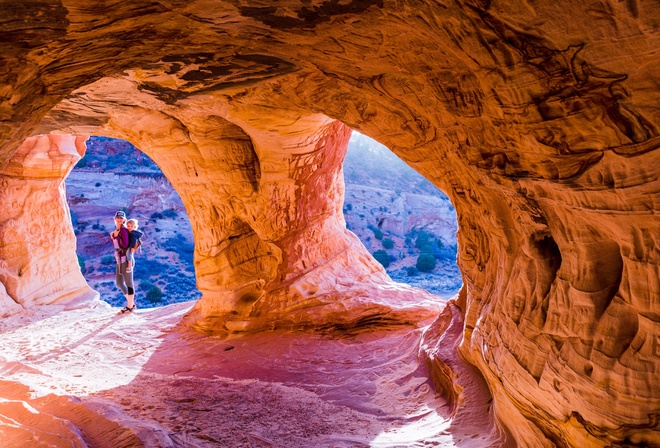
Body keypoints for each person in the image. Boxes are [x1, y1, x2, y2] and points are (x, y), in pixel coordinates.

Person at [110, 210, 136, 313]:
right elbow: (115, 244)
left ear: (124, 220)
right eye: (118, 218)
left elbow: (125, 245)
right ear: (115, 219)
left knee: (129, 283)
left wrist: (115, 236)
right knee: (119, 282)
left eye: (121, 218)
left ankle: (129, 306)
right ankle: (132, 303)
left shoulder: (124, 230)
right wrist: (114, 236)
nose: (120, 220)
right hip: (119, 260)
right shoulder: (117, 230)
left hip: (126, 260)